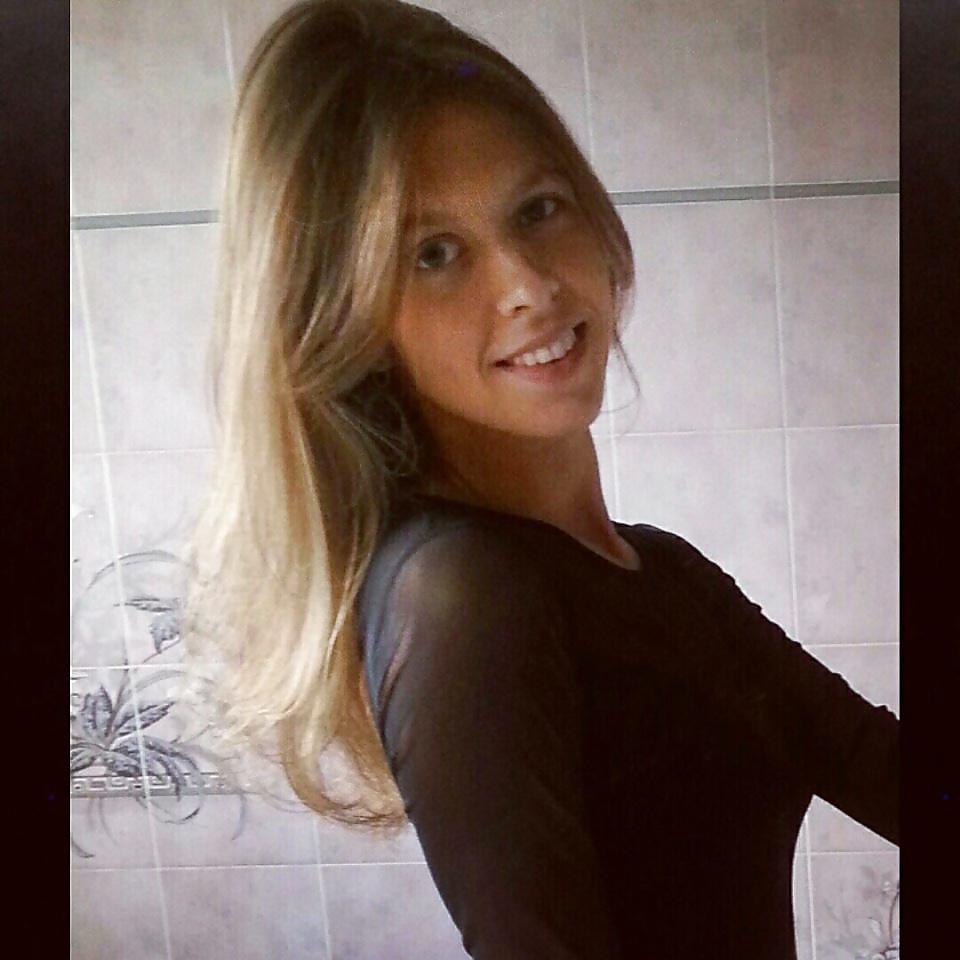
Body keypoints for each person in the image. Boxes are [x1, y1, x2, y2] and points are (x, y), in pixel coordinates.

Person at [181, 1, 900, 958]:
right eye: (434, 254)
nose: (527, 284)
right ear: (351, 319)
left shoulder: (661, 571)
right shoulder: (460, 593)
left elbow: (879, 765)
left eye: (537, 209)